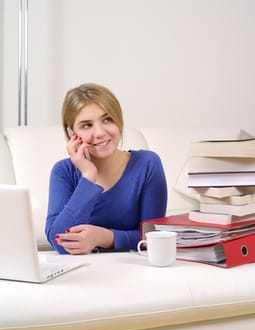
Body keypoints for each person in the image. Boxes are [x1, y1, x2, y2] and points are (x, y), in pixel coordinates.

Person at [45, 83, 167, 254]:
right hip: (79, 272)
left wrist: (104, 237)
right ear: (72, 132)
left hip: (132, 269)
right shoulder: (63, 171)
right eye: (87, 125)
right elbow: (59, 242)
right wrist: (88, 177)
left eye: (107, 119)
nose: (100, 132)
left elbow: (153, 237)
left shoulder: (147, 164)